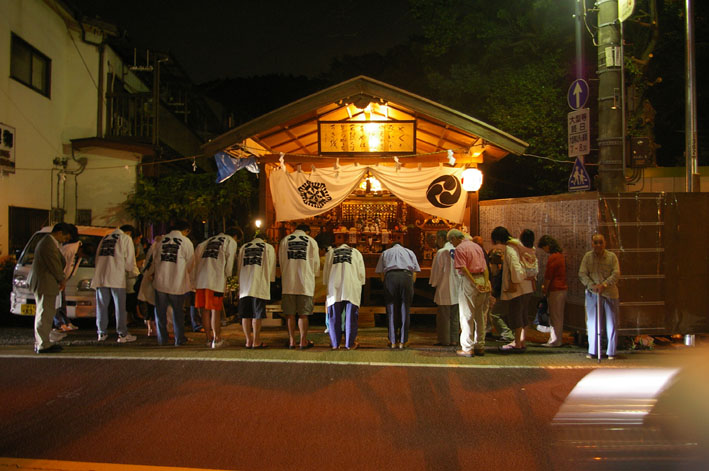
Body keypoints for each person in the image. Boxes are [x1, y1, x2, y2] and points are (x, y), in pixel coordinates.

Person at [27, 223, 72, 353]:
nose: (65, 240)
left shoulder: (48, 242)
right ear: (59, 232)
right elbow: (54, 265)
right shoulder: (48, 244)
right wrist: (61, 279)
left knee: (45, 312)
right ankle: (43, 344)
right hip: (44, 283)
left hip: (44, 282)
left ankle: (43, 342)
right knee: (45, 313)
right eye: (65, 237)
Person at [150, 221, 194, 346]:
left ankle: (162, 339)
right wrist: (185, 275)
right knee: (178, 312)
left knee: (160, 312)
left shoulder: (161, 241)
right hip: (177, 282)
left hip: (161, 281)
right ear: (185, 230)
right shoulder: (185, 242)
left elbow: (155, 260)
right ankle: (179, 339)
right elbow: (191, 263)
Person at [92, 224, 138, 343]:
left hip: (101, 275)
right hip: (116, 276)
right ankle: (122, 334)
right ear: (129, 232)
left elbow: (97, 257)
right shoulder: (125, 238)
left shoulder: (105, 238)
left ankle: (101, 333)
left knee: (102, 306)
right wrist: (134, 272)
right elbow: (130, 261)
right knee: (120, 307)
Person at [447, 230, 490, 357]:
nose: (451, 244)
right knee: (480, 315)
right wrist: (485, 282)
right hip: (483, 279)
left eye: (451, 241)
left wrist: (474, 282)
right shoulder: (477, 246)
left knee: (467, 315)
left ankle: (467, 347)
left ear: (455, 238)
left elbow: (463, 268)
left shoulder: (460, 248)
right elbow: (485, 267)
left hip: (470, 282)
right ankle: (480, 346)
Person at [193, 230, 238, 348]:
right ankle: (217, 339)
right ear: (235, 236)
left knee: (205, 311)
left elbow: (196, 259)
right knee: (215, 310)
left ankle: (208, 338)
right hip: (215, 279)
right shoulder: (230, 241)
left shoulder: (206, 242)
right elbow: (229, 262)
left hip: (201, 279)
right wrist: (228, 276)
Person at [578, 233, 620, 359]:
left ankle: (611, 352)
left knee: (611, 323)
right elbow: (582, 273)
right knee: (592, 323)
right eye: (596, 242)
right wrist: (592, 285)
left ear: (605, 243)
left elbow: (616, 273)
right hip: (593, 293)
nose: (598, 245)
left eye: (600, 242)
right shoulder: (587, 257)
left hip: (610, 293)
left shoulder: (612, 257)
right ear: (592, 244)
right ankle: (593, 351)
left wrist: (605, 285)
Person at [492, 226, 533, 353]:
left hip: (518, 287)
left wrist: (514, 282)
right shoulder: (522, 246)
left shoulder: (511, 249)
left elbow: (515, 268)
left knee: (516, 314)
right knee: (524, 314)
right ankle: (522, 341)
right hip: (528, 285)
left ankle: (517, 343)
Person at [278, 224, 320, 349]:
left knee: (289, 314)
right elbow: (316, 263)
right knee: (303, 314)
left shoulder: (285, 240)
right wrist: (314, 274)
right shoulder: (311, 241)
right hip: (305, 282)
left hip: (288, 282)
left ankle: (291, 341)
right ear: (307, 231)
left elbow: (281, 260)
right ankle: (302, 341)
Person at [375, 242, 420, 349]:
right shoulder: (409, 252)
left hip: (390, 277)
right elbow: (415, 271)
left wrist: (385, 282)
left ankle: (393, 341)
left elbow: (380, 271)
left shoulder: (385, 252)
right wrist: (410, 283)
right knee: (405, 309)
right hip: (407, 276)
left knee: (391, 309)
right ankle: (403, 342)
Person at [323, 242, 366, 350]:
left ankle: (335, 344)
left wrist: (327, 284)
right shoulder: (356, 252)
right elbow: (361, 274)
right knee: (351, 316)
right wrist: (360, 283)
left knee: (334, 316)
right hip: (351, 286)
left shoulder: (331, 253)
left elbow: (326, 273)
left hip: (334, 286)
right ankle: (349, 344)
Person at [238, 233, 276, 348]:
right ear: (265, 239)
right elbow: (271, 266)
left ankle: (248, 341)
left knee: (245, 314)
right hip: (259, 284)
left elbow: (239, 266)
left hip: (245, 285)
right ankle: (256, 340)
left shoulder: (244, 247)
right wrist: (270, 280)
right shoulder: (268, 247)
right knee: (257, 314)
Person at [429, 230, 460, 346]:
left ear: (441, 239)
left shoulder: (442, 252)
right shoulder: (458, 250)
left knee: (444, 316)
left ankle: (444, 340)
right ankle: (454, 339)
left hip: (444, 286)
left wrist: (434, 282)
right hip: (457, 286)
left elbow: (437, 271)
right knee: (455, 315)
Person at [537, 235, 568, 347]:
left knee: (555, 316)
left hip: (555, 289)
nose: (544, 250)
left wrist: (545, 288)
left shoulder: (553, 257)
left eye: (544, 247)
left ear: (548, 246)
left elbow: (548, 276)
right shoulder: (560, 256)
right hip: (561, 289)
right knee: (557, 316)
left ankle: (555, 340)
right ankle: (555, 339)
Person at [53, 224, 80, 332]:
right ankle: (60, 323)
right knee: (57, 302)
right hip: (59, 279)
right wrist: (61, 279)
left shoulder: (71, 247)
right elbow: (60, 265)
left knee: (61, 302)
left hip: (62, 278)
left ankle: (65, 322)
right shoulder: (69, 249)